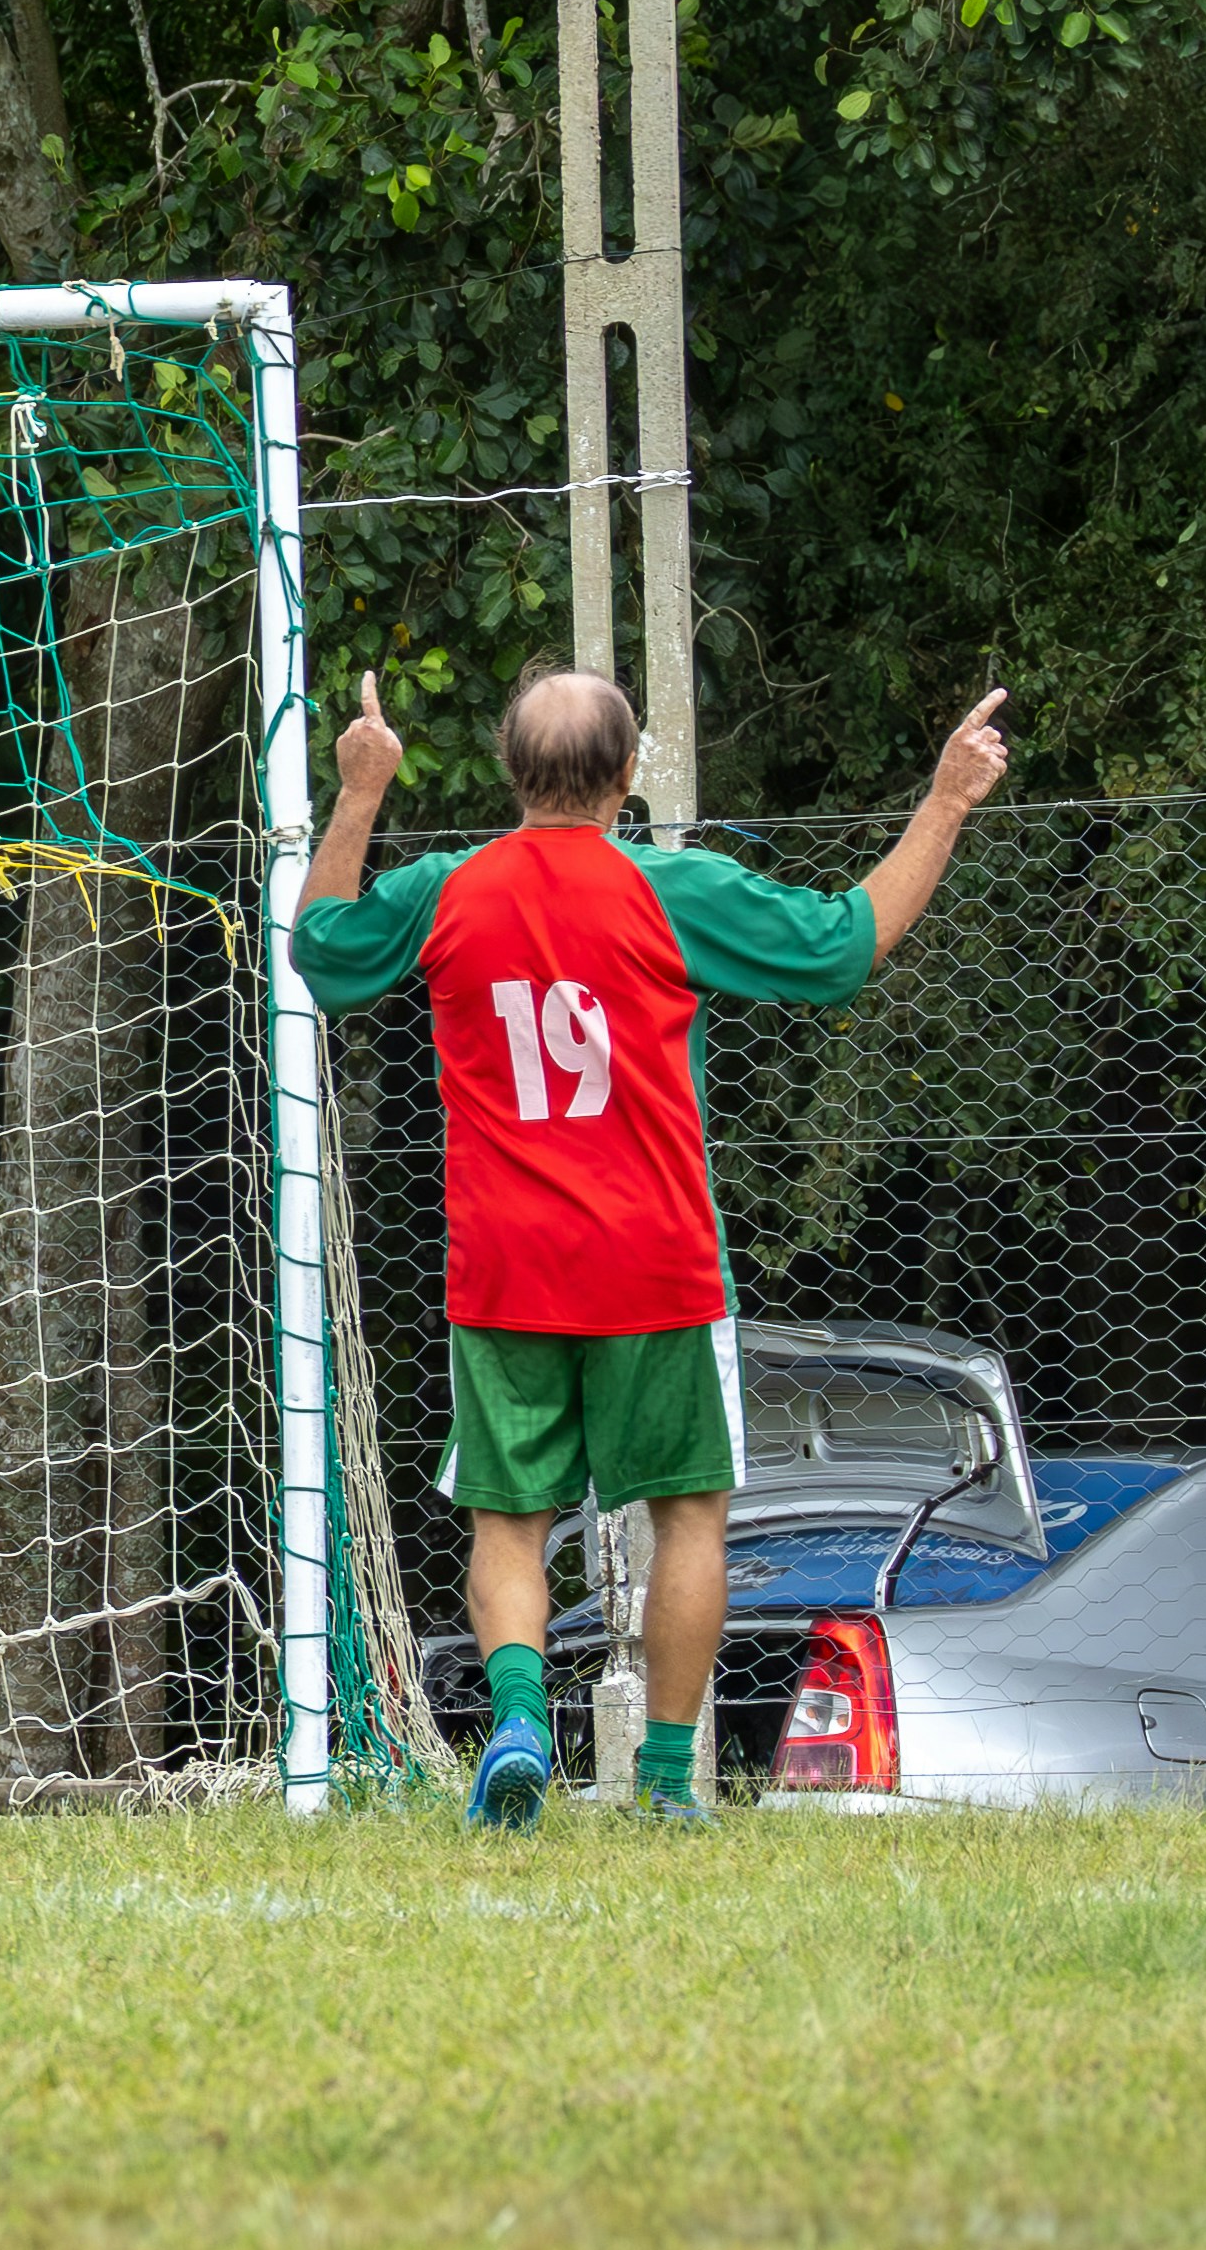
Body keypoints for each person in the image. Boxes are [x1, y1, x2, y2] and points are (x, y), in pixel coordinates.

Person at [296, 666, 1010, 1825]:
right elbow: (844, 946)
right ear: (628, 776)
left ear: (509, 772)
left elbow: (324, 951)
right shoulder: (670, 887)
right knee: (690, 1515)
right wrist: (945, 802)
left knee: (508, 1523)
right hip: (654, 1260)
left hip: (506, 1267)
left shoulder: (444, 890)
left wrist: (363, 791)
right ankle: (670, 1786)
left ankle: (522, 1717)